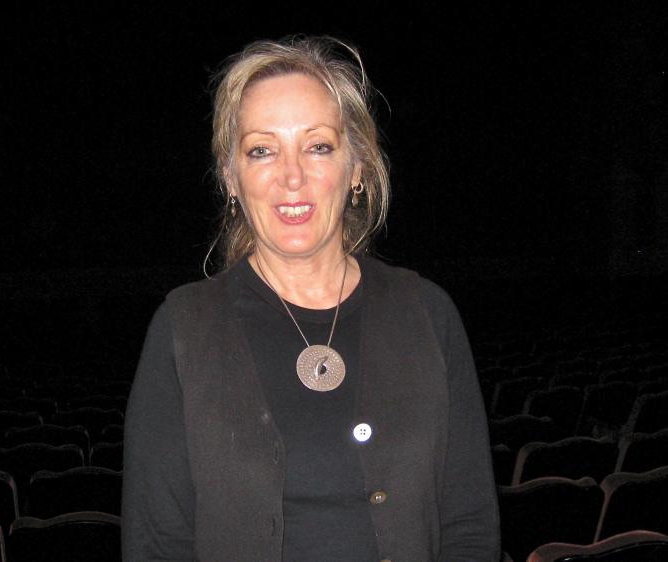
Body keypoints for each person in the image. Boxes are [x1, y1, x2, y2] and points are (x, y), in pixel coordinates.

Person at [122, 35, 500, 561]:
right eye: (262, 150)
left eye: (318, 146)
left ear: (358, 170)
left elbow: (470, 527)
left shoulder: (429, 313)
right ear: (232, 178)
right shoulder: (182, 328)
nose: (291, 176)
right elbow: (156, 545)